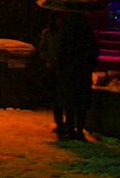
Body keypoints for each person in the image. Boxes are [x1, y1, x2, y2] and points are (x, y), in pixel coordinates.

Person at [53, 11, 99, 140]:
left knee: (69, 102)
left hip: (68, 71)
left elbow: (61, 51)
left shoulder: (66, 31)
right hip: (83, 71)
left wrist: (60, 66)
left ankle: (70, 128)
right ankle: (79, 129)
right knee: (81, 103)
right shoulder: (88, 32)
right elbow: (94, 51)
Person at [37, 13, 66, 137]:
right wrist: (49, 59)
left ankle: (63, 122)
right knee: (57, 96)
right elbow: (42, 49)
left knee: (60, 96)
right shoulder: (49, 33)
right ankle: (60, 122)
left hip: (62, 67)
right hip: (55, 67)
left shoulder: (63, 34)